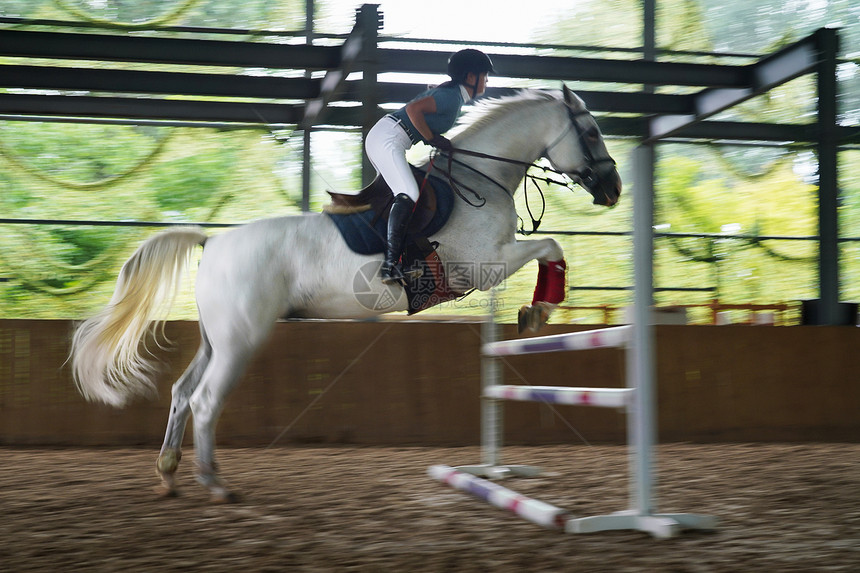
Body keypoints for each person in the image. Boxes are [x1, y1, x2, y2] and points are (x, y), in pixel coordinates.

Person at [365, 48, 494, 285]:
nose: (487, 80)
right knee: (409, 192)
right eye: (484, 75)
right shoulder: (452, 97)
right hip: (388, 138)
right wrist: (432, 138)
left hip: (389, 137)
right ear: (470, 78)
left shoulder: (453, 96)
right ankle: (390, 266)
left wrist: (432, 137)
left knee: (406, 192)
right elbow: (414, 111)